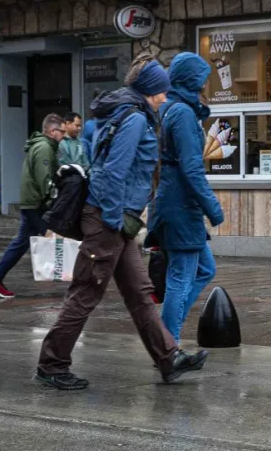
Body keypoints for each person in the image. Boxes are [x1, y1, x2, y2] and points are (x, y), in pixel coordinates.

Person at [36, 54, 208, 391]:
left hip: (116, 220)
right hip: (108, 219)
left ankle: (167, 357)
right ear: (149, 90)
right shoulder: (135, 121)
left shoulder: (131, 114)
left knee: (140, 292)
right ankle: (52, 364)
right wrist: (115, 219)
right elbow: (112, 173)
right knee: (86, 292)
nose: (164, 97)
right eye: (161, 91)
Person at [148, 53, 224, 343]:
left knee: (205, 269)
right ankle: (168, 343)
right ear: (191, 79)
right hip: (180, 206)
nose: (206, 83)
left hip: (176, 203)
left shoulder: (175, 109)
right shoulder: (181, 113)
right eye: (203, 77)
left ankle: (167, 331)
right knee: (180, 276)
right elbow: (191, 167)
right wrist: (213, 208)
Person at [0, 114, 65, 299]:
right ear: (53, 131)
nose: (63, 134)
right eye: (61, 131)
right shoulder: (44, 148)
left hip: (32, 202)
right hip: (36, 203)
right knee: (58, 236)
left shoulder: (43, 146)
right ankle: (80, 280)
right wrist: (54, 199)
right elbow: (44, 179)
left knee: (21, 242)